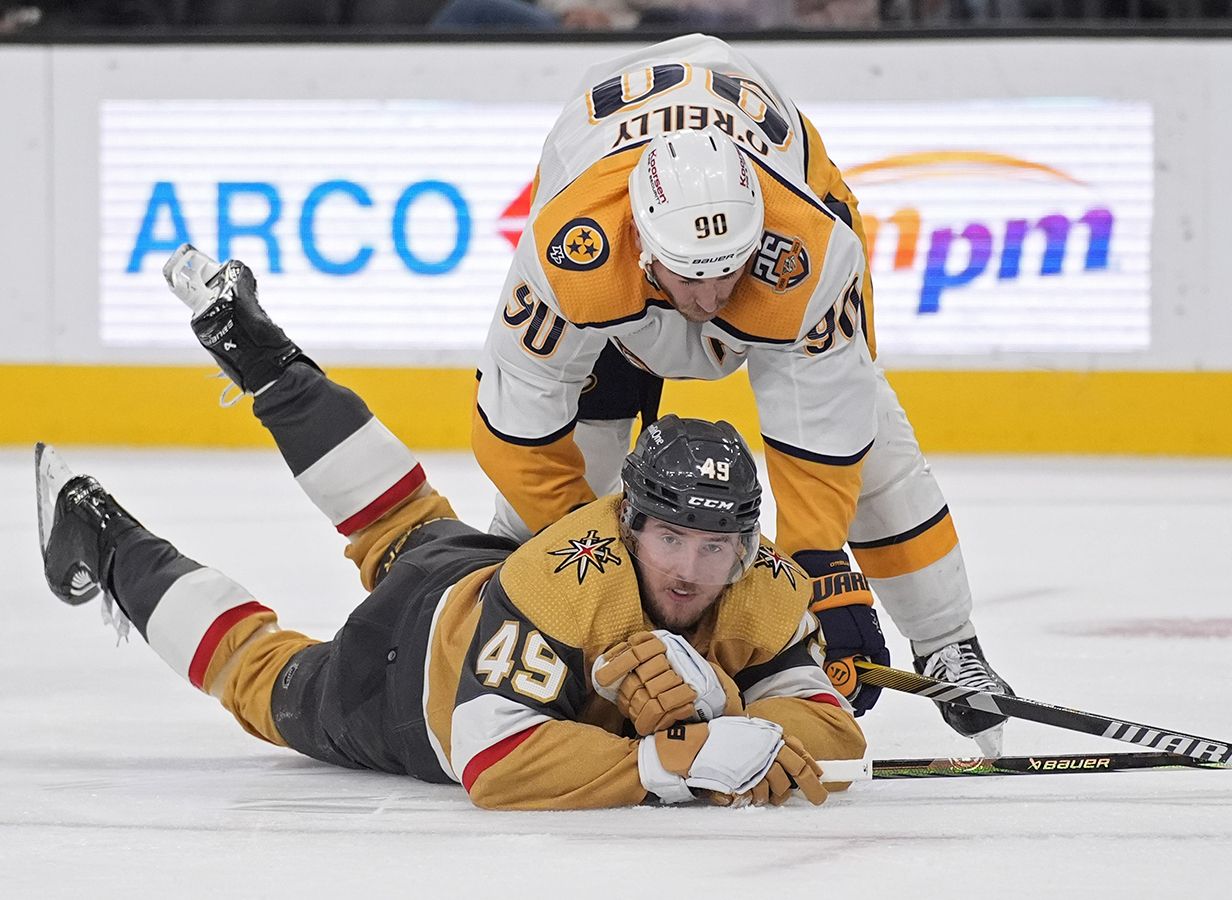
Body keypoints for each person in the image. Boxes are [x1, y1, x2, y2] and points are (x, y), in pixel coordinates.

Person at [35, 245, 865, 810]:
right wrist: (664, 761)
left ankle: (256, 350)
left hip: (470, 569)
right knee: (262, 677)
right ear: (628, 524)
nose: (690, 568)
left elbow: (836, 734)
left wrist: (727, 710)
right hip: (402, 683)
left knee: (395, 512)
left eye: (715, 547)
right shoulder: (565, 585)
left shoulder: (764, 589)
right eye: (671, 539)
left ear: (747, 547)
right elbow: (492, 757)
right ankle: (105, 541)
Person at [472, 33, 1012, 751]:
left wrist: (819, 567)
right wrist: (596, 571)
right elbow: (517, 433)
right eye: (692, 274)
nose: (711, 298)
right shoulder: (571, 251)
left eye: (729, 268)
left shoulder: (812, 247)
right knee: (564, 477)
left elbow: (827, 429)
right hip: (619, 288)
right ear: (643, 244)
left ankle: (950, 643)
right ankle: (497, 626)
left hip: (765, 232)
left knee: (875, 447)